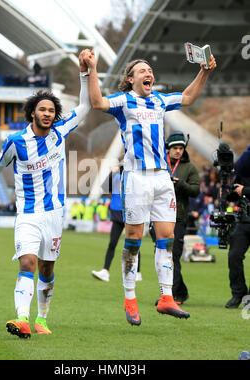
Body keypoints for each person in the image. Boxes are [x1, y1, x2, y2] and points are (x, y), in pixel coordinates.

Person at [82, 49, 216, 325]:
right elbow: (97, 102)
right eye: (142, 71)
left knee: (165, 239)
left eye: (150, 71)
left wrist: (205, 70)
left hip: (162, 178)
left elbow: (188, 97)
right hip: (136, 176)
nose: (149, 74)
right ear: (130, 79)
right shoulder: (124, 101)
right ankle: (130, 298)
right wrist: (92, 69)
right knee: (133, 237)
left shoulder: (159, 100)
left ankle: (166, 297)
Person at [0, 50, 91, 339]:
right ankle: (22, 318)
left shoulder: (61, 131)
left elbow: (85, 108)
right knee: (27, 262)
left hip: (55, 215)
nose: (47, 114)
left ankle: (42, 319)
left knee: (47, 269)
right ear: (33, 113)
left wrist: (85, 73)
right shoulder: (16, 141)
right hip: (28, 214)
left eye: (51, 110)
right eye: (42, 110)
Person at [165, 130, 200, 304]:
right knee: (164, 255)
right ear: (168, 149)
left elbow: (196, 191)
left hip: (179, 216)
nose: (178, 151)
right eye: (175, 148)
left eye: (181, 148)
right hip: (160, 216)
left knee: (174, 255)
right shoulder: (161, 164)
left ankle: (173, 295)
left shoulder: (190, 167)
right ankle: (179, 291)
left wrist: (181, 184)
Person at [91, 165, 142, 282]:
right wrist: (111, 173)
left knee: (133, 242)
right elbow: (104, 188)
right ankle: (105, 271)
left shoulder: (134, 175)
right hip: (117, 214)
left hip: (130, 212)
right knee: (112, 243)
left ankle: (137, 272)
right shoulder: (116, 176)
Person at [225, 150, 250, 309]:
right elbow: (235, 195)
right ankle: (238, 293)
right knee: (234, 255)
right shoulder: (244, 168)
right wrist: (228, 191)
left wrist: (244, 191)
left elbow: (243, 191)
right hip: (244, 219)